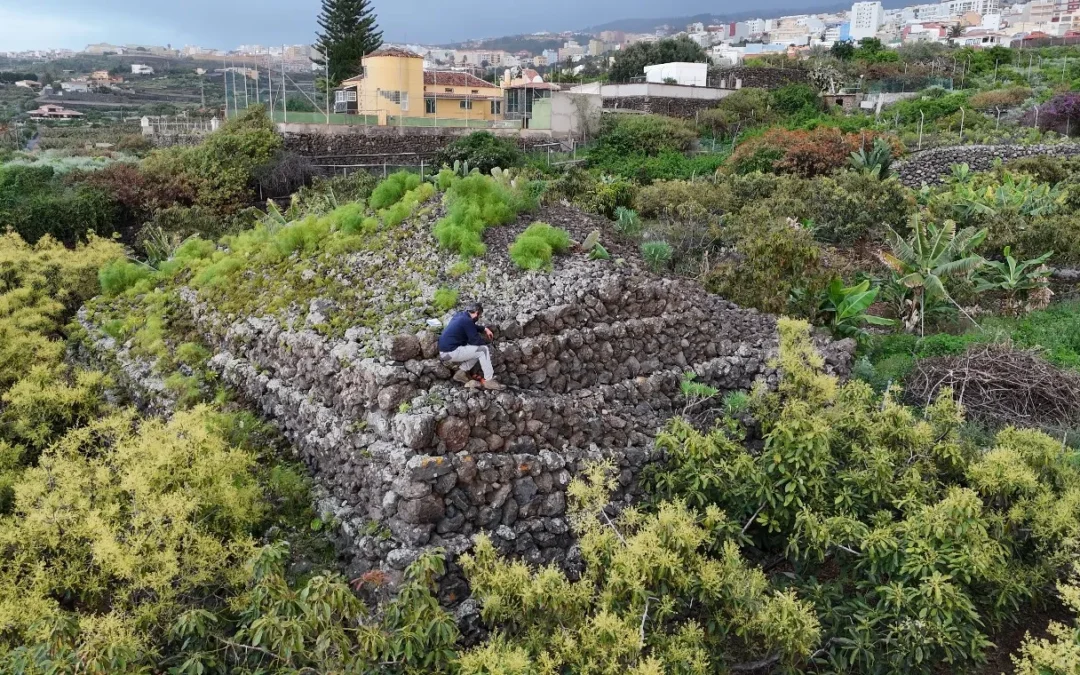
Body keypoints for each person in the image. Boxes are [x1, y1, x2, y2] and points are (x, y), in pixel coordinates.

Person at [438, 302, 505, 390]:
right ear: (476, 312)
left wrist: (484, 329)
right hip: (450, 352)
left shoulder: (460, 316)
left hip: (445, 352)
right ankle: (489, 381)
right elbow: (475, 340)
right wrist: (488, 345)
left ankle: (460, 373)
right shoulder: (467, 321)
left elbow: (471, 326)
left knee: (476, 351)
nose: (478, 318)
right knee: (483, 350)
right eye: (479, 315)